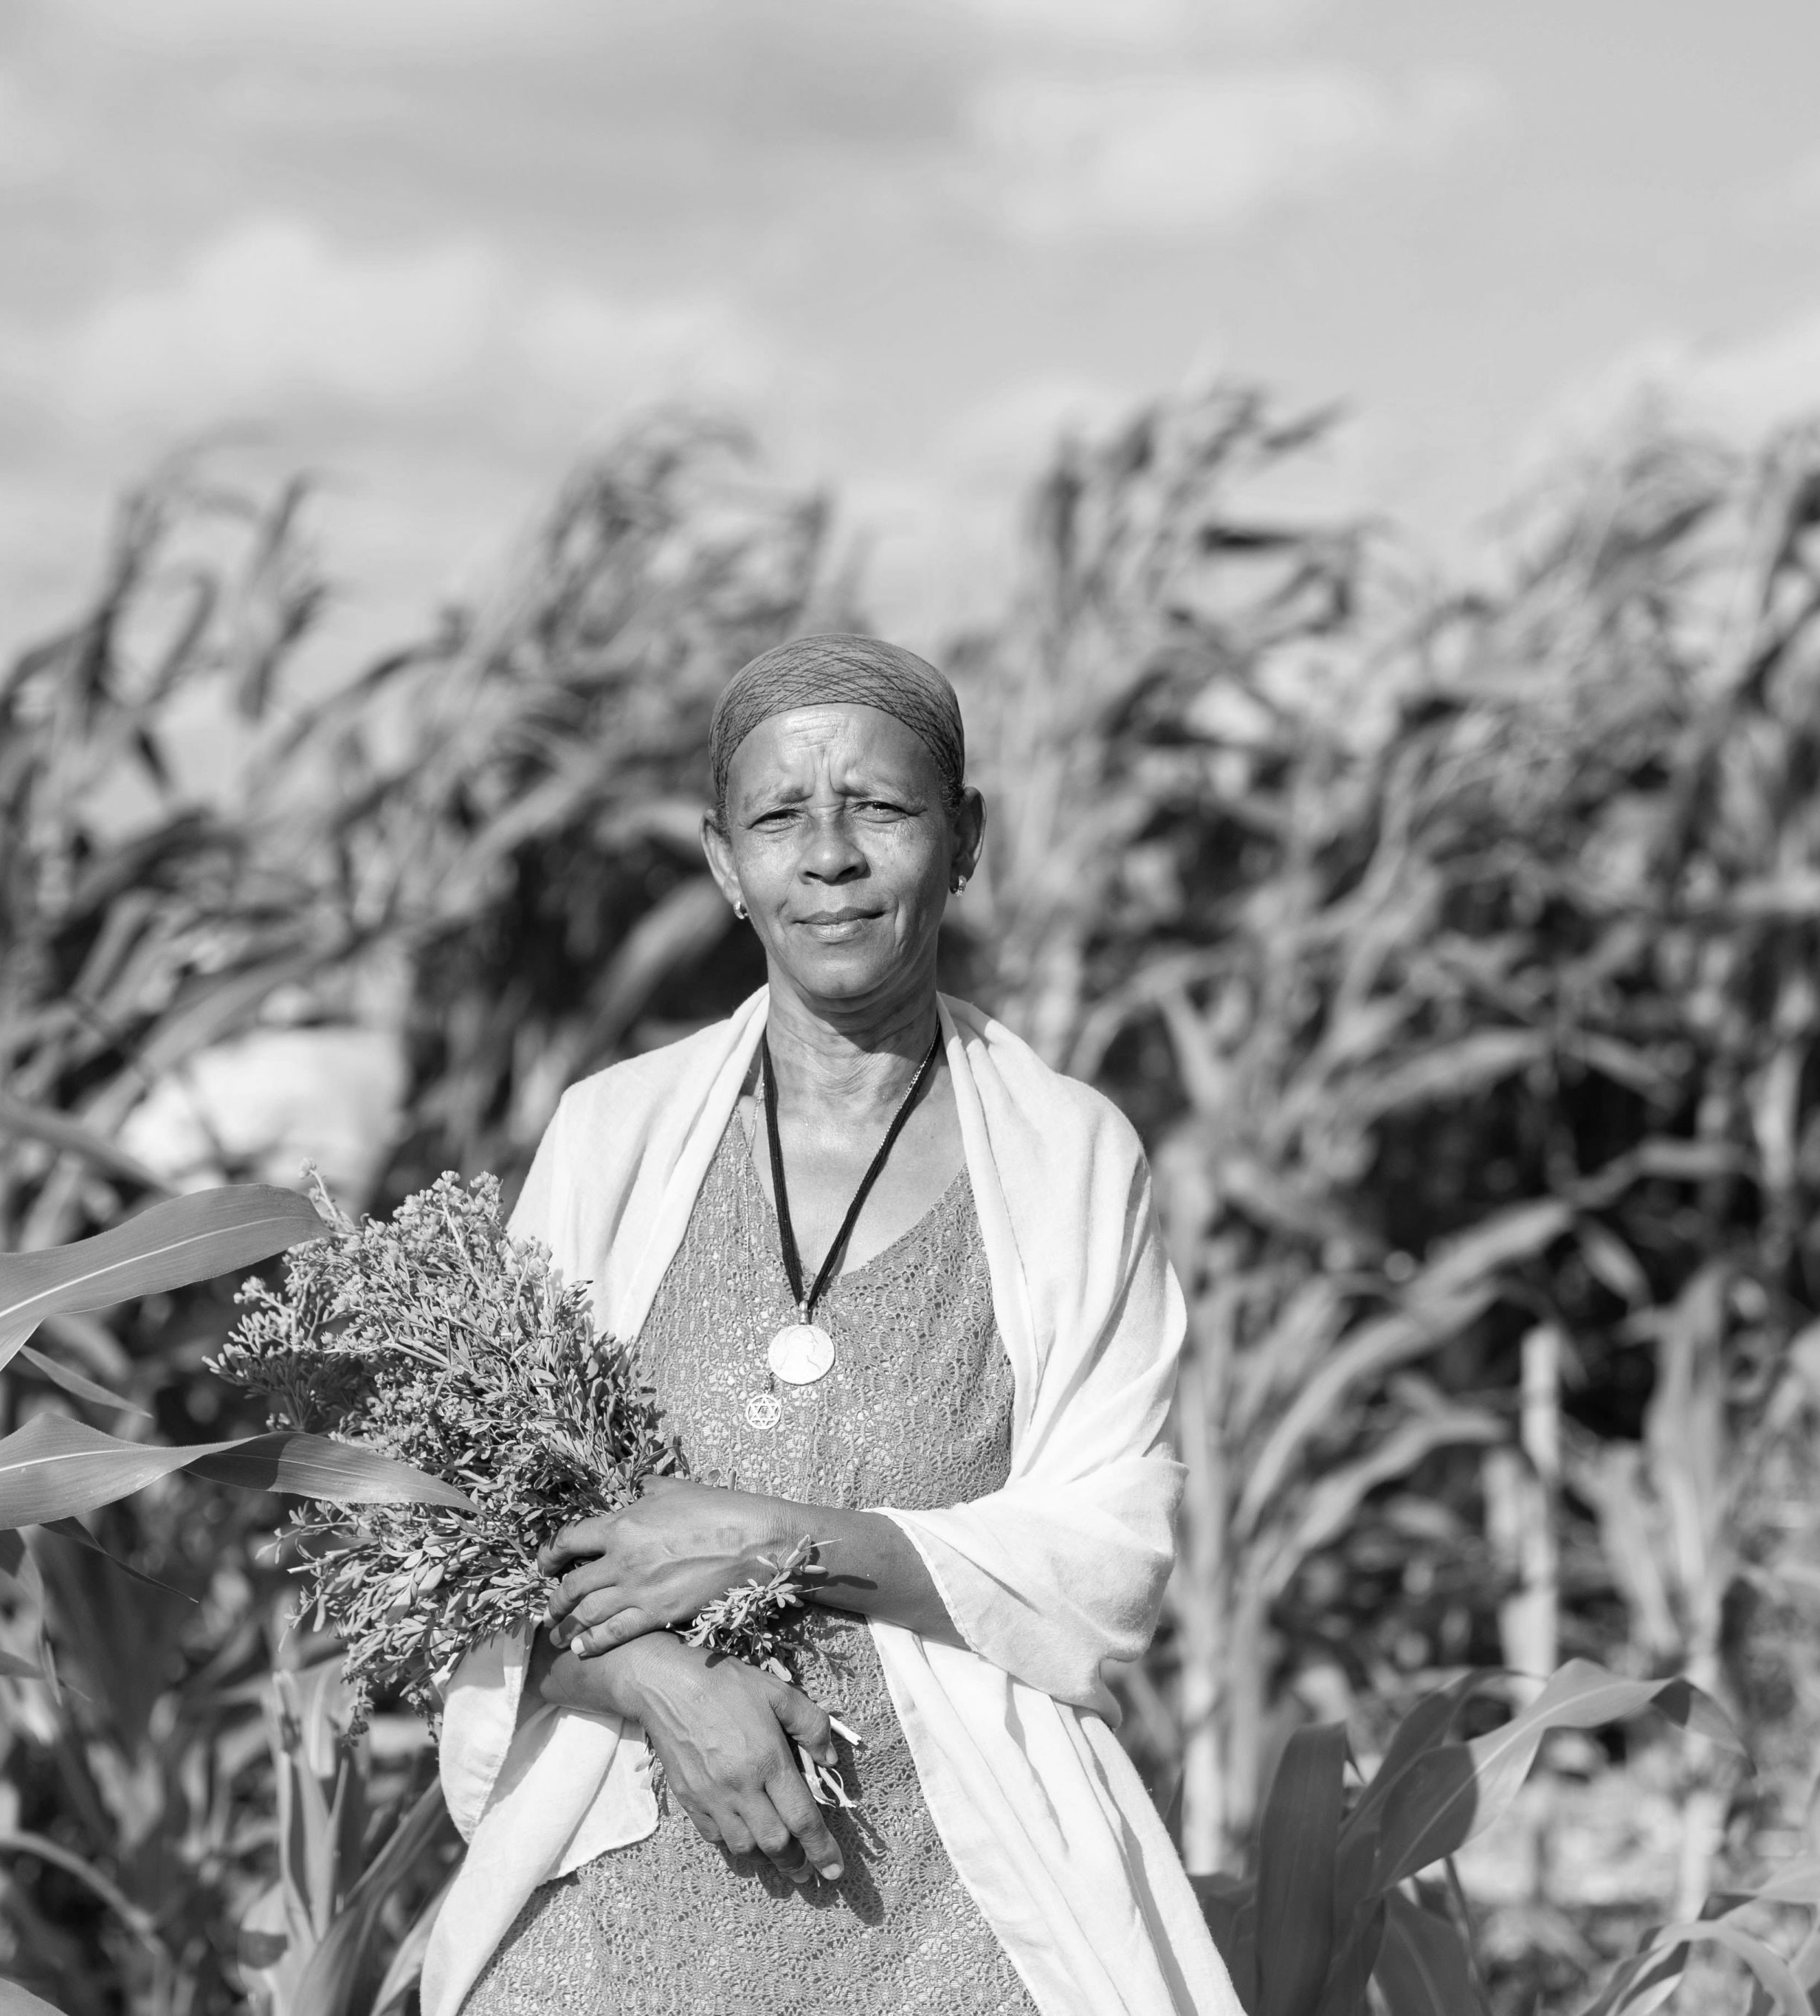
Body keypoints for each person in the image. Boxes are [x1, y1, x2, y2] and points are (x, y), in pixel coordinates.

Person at [427, 634, 1240, 2016]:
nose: (831, 857)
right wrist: (659, 1687)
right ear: (720, 860)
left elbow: (1106, 1557)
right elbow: (480, 1536)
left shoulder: (1069, 1158)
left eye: (881, 807)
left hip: (959, 1923)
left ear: (964, 839)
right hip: (613, 1918)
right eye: (779, 818)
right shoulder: (614, 1135)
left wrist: (766, 1540)